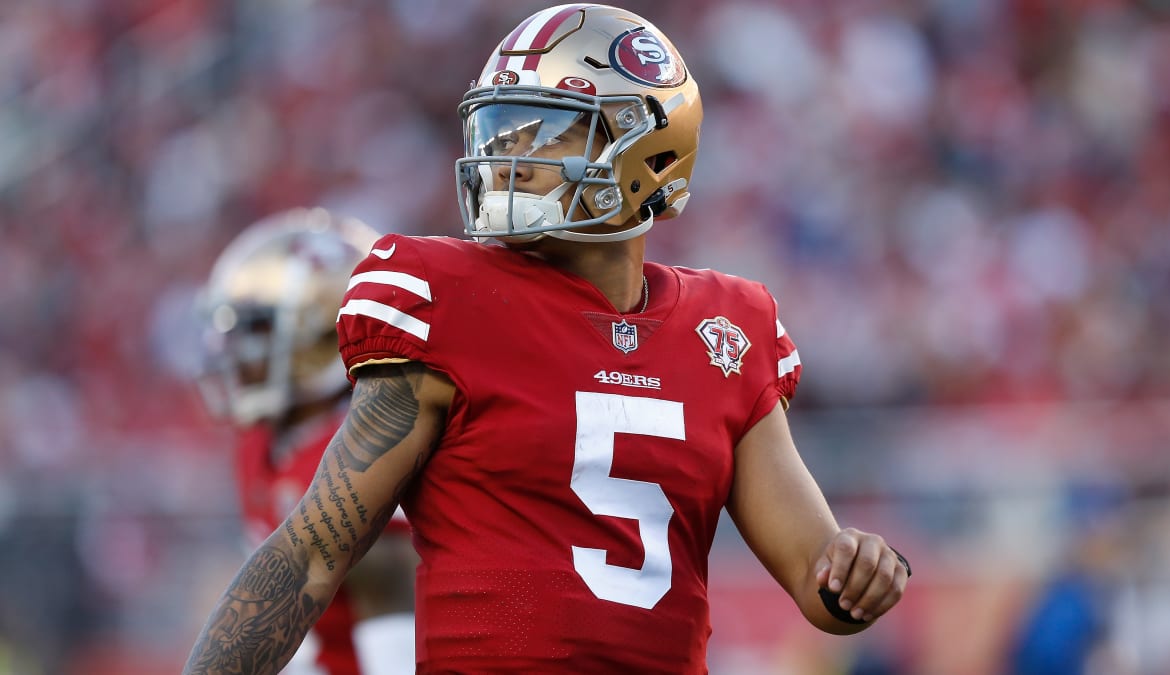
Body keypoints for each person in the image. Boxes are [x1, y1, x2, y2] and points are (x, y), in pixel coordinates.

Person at [184, 5, 910, 673]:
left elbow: (819, 582)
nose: (512, 153)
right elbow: (314, 550)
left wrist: (859, 571)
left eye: (548, 128)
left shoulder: (727, 330)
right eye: (503, 127)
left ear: (650, 148)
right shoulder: (449, 296)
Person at [193, 208, 418, 675]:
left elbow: (397, 628)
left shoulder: (366, 448)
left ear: (319, 333)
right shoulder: (261, 442)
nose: (232, 353)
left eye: (256, 331)